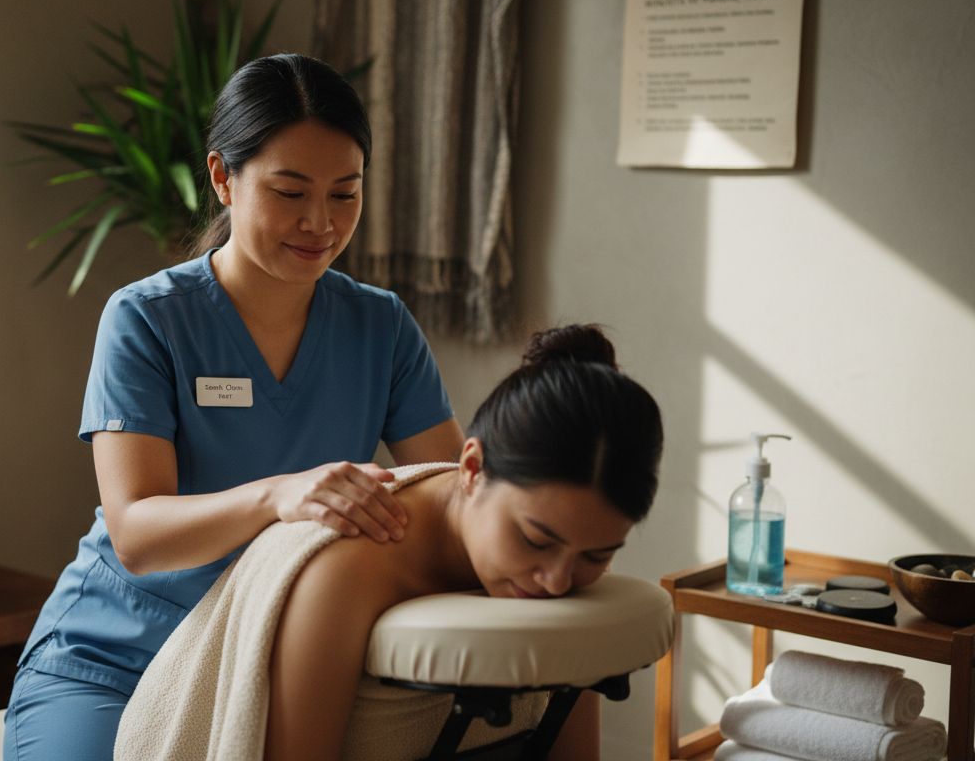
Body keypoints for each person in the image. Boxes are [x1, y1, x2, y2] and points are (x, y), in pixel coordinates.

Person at [4, 53, 464, 761]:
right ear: (223, 177)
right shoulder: (148, 319)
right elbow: (137, 532)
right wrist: (280, 495)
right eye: (290, 192)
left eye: (346, 194)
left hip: (272, 659)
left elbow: (448, 496)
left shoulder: (381, 327)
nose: (321, 223)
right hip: (114, 657)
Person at [110, 324, 665, 761]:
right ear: (471, 468)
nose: (557, 581)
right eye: (534, 540)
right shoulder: (347, 567)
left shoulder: (566, 563)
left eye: (597, 555)